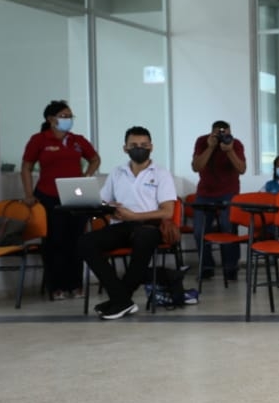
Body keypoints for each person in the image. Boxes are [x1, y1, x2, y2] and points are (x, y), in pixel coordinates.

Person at [77, 126, 181, 320]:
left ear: (151, 147)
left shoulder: (161, 173)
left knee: (143, 237)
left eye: (144, 145)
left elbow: (167, 211)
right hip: (122, 226)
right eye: (134, 145)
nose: (139, 148)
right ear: (125, 148)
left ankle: (120, 299)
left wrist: (134, 216)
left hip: (151, 226)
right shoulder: (117, 172)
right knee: (85, 242)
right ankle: (121, 299)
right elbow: (103, 201)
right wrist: (108, 207)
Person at [20, 100, 100, 300]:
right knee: (54, 241)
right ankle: (56, 286)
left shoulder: (77, 140)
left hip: (74, 196)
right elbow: (27, 167)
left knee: (76, 240)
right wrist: (28, 194)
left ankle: (76, 285)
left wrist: (86, 176)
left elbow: (95, 159)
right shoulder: (39, 140)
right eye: (64, 116)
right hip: (48, 196)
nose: (68, 119)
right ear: (51, 119)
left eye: (70, 116)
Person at [191, 120, 246, 282]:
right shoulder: (202, 141)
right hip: (205, 193)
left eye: (225, 133)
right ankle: (206, 267)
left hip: (229, 193)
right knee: (199, 231)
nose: (222, 136)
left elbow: (241, 169)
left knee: (228, 229)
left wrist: (229, 151)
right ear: (211, 132)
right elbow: (196, 167)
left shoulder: (235, 144)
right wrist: (210, 147)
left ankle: (230, 268)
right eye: (218, 133)